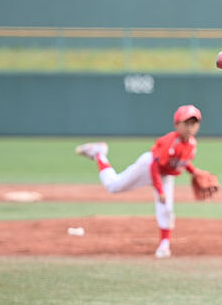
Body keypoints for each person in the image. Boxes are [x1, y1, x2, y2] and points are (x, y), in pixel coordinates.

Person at [75, 104, 213, 259]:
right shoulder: (170, 142)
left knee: (166, 209)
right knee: (113, 186)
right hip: (148, 166)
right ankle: (99, 154)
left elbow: (181, 161)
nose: (190, 127)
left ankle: (164, 245)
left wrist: (194, 171)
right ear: (176, 124)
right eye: (186, 123)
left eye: (194, 123)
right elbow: (155, 166)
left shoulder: (192, 144)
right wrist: (159, 190)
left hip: (165, 174)